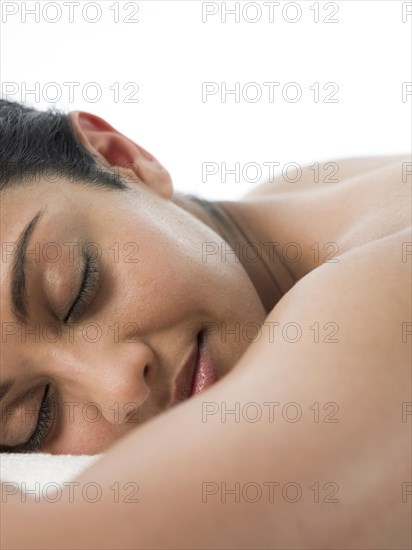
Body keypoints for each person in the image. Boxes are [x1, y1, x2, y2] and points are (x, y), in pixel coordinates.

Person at [0, 99, 410, 548]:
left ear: (121, 158)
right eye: (35, 417)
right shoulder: (289, 204)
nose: (121, 386)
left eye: (80, 288)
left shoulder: (383, 276)